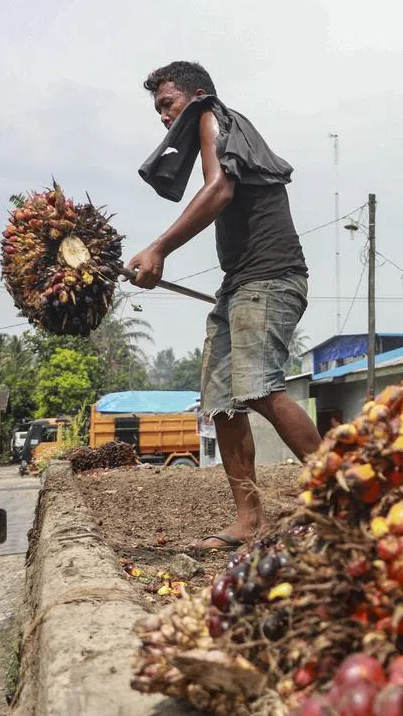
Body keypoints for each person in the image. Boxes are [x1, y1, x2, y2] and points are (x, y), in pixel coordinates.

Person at [130, 61, 322, 550]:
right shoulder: (215, 127)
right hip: (238, 283)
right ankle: (248, 519)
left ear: (195, 96)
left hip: (271, 278)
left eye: (166, 105)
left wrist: (158, 249)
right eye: (157, 109)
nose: (162, 117)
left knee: (257, 387)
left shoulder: (214, 118)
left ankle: (343, 492)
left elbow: (219, 191)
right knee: (221, 402)